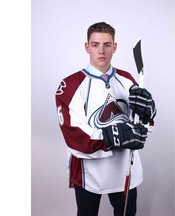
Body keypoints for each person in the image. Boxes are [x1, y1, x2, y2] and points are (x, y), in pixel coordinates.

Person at [55, 22, 156, 216]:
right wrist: (114, 136)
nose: (101, 51)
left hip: (126, 169)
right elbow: (74, 134)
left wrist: (148, 113)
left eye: (107, 45)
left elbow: (144, 126)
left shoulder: (127, 79)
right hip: (89, 174)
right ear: (87, 47)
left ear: (114, 47)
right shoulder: (70, 85)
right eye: (95, 45)